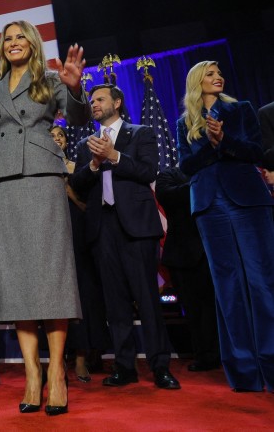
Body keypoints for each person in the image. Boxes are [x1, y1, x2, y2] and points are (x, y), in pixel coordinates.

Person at [0, 20, 88, 416]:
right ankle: (31, 374)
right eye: (7, 39)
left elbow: (77, 117)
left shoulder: (51, 80)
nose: (13, 43)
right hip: (2, 186)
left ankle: (56, 372)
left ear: (33, 43)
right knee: (17, 281)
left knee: (50, 277)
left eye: (20, 37)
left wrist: (75, 88)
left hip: (42, 179)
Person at [70, 84, 180, 391]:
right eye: (91, 101)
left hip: (137, 228)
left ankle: (160, 367)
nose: (94, 104)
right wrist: (93, 164)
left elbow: (148, 171)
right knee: (115, 304)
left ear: (117, 103)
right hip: (102, 230)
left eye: (100, 99)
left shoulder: (141, 133)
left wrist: (114, 156)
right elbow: (77, 184)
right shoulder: (86, 145)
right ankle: (124, 366)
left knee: (147, 299)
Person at [176, 61, 274, 392]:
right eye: (210, 73)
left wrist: (225, 141)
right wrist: (210, 143)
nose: (218, 77)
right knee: (227, 287)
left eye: (219, 73)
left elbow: (256, 152)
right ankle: (244, 371)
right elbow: (185, 165)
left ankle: (271, 364)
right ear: (196, 81)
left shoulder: (241, 109)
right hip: (208, 205)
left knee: (261, 282)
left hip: (248, 201)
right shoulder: (185, 122)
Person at [50, 125, 108, 382]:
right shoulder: (39, 170)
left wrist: (68, 190)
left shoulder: (77, 167)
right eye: (50, 136)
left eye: (60, 135)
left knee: (83, 294)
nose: (56, 139)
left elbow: (88, 206)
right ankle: (58, 359)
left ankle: (83, 357)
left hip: (78, 236)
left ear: (66, 141)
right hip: (50, 237)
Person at [155, 166, 220, 372]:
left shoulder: (215, 171)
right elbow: (167, 197)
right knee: (193, 310)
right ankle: (203, 355)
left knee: (216, 308)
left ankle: (221, 353)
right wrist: (201, 182)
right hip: (182, 255)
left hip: (215, 252)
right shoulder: (168, 175)